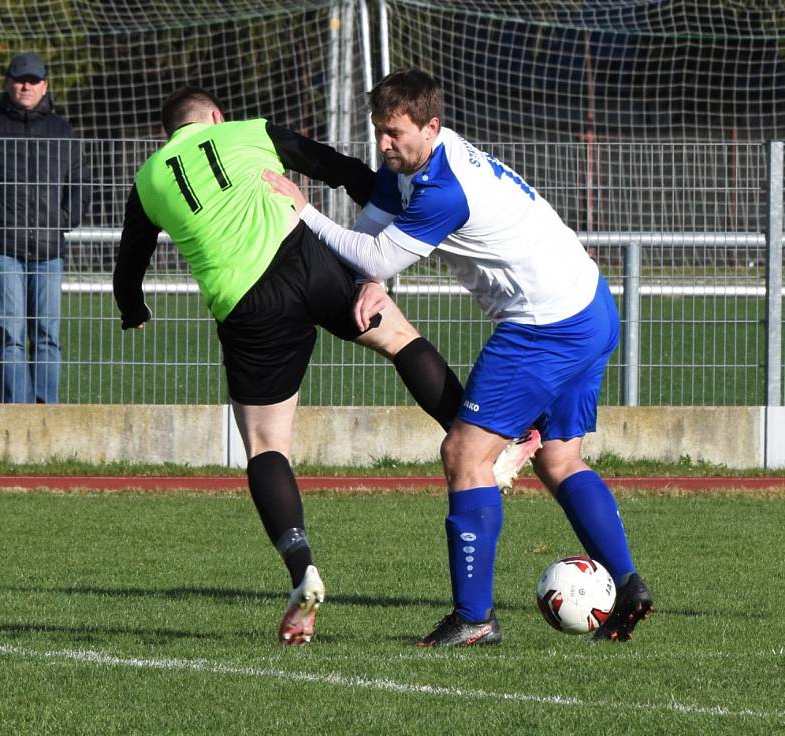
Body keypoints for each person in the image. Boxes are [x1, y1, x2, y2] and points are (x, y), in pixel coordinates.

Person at [113, 86, 535, 646]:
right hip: (306, 258)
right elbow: (332, 165)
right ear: (216, 117)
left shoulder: (147, 181)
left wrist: (132, 307)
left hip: (246, 304)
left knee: (266, 446)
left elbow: (130, 257)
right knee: (401, 340)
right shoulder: (247, 131)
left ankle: (302, 568)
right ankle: (491, 445)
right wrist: (384, 205)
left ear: (170, 134)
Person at [263, 68, 653, 646]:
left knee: (464, 452)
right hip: (591, 306)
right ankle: (628, 585)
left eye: (394, 132)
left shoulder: (444, 187)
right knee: (561, 461)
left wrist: (303, 212)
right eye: (379, 131)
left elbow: (373, 250)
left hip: (547, 327)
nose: (383, 145)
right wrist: (373, 273)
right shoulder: (420, 163)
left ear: (432, 125)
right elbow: (374, 237)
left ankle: (475, 619)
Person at [0, 52, 92, 403]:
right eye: (19, 79)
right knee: (9, 334)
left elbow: (80, 185)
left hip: (49, 251)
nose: (26, 86)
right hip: (2, 249)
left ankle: (46, 411)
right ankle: (16, 413)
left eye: (33, 80)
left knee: (47, 334)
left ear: (45, 85)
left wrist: (61, 221)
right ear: (7, 83)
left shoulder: (63, 131)